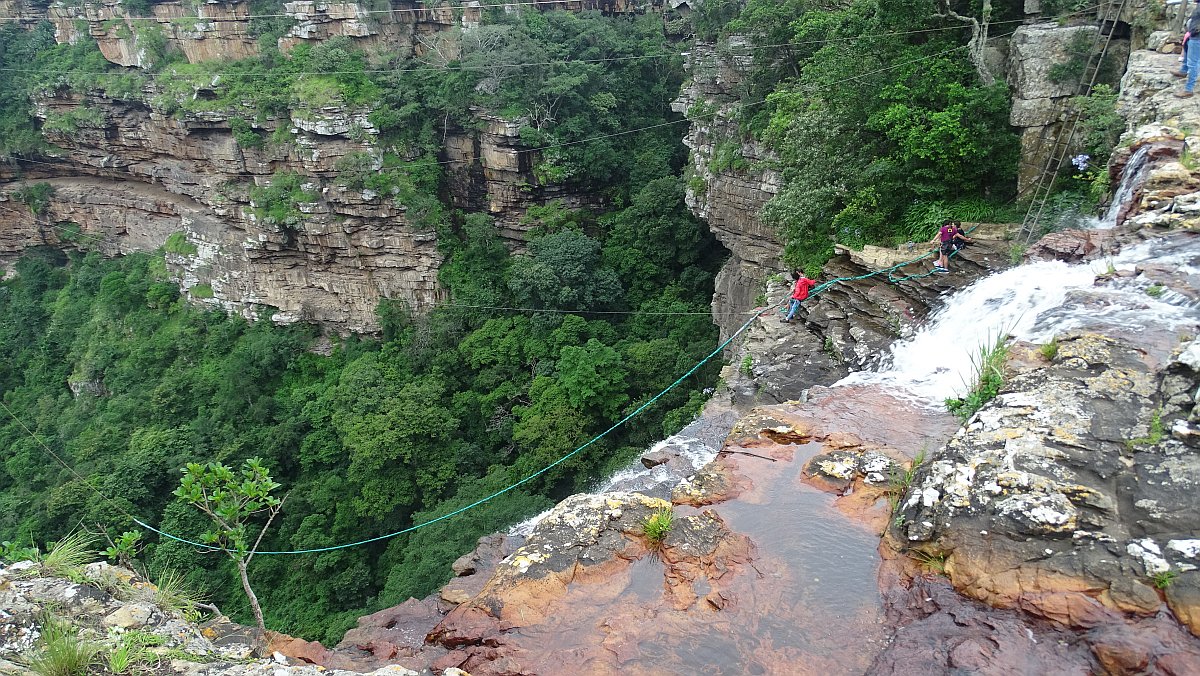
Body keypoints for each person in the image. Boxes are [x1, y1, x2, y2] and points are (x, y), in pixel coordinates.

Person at [1177, 4, 1200, 97]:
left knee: (1193, 63)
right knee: (1186, 48)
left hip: (1197, 36)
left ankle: (1188, 89)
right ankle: (1183, 71)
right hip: (1193, 34)